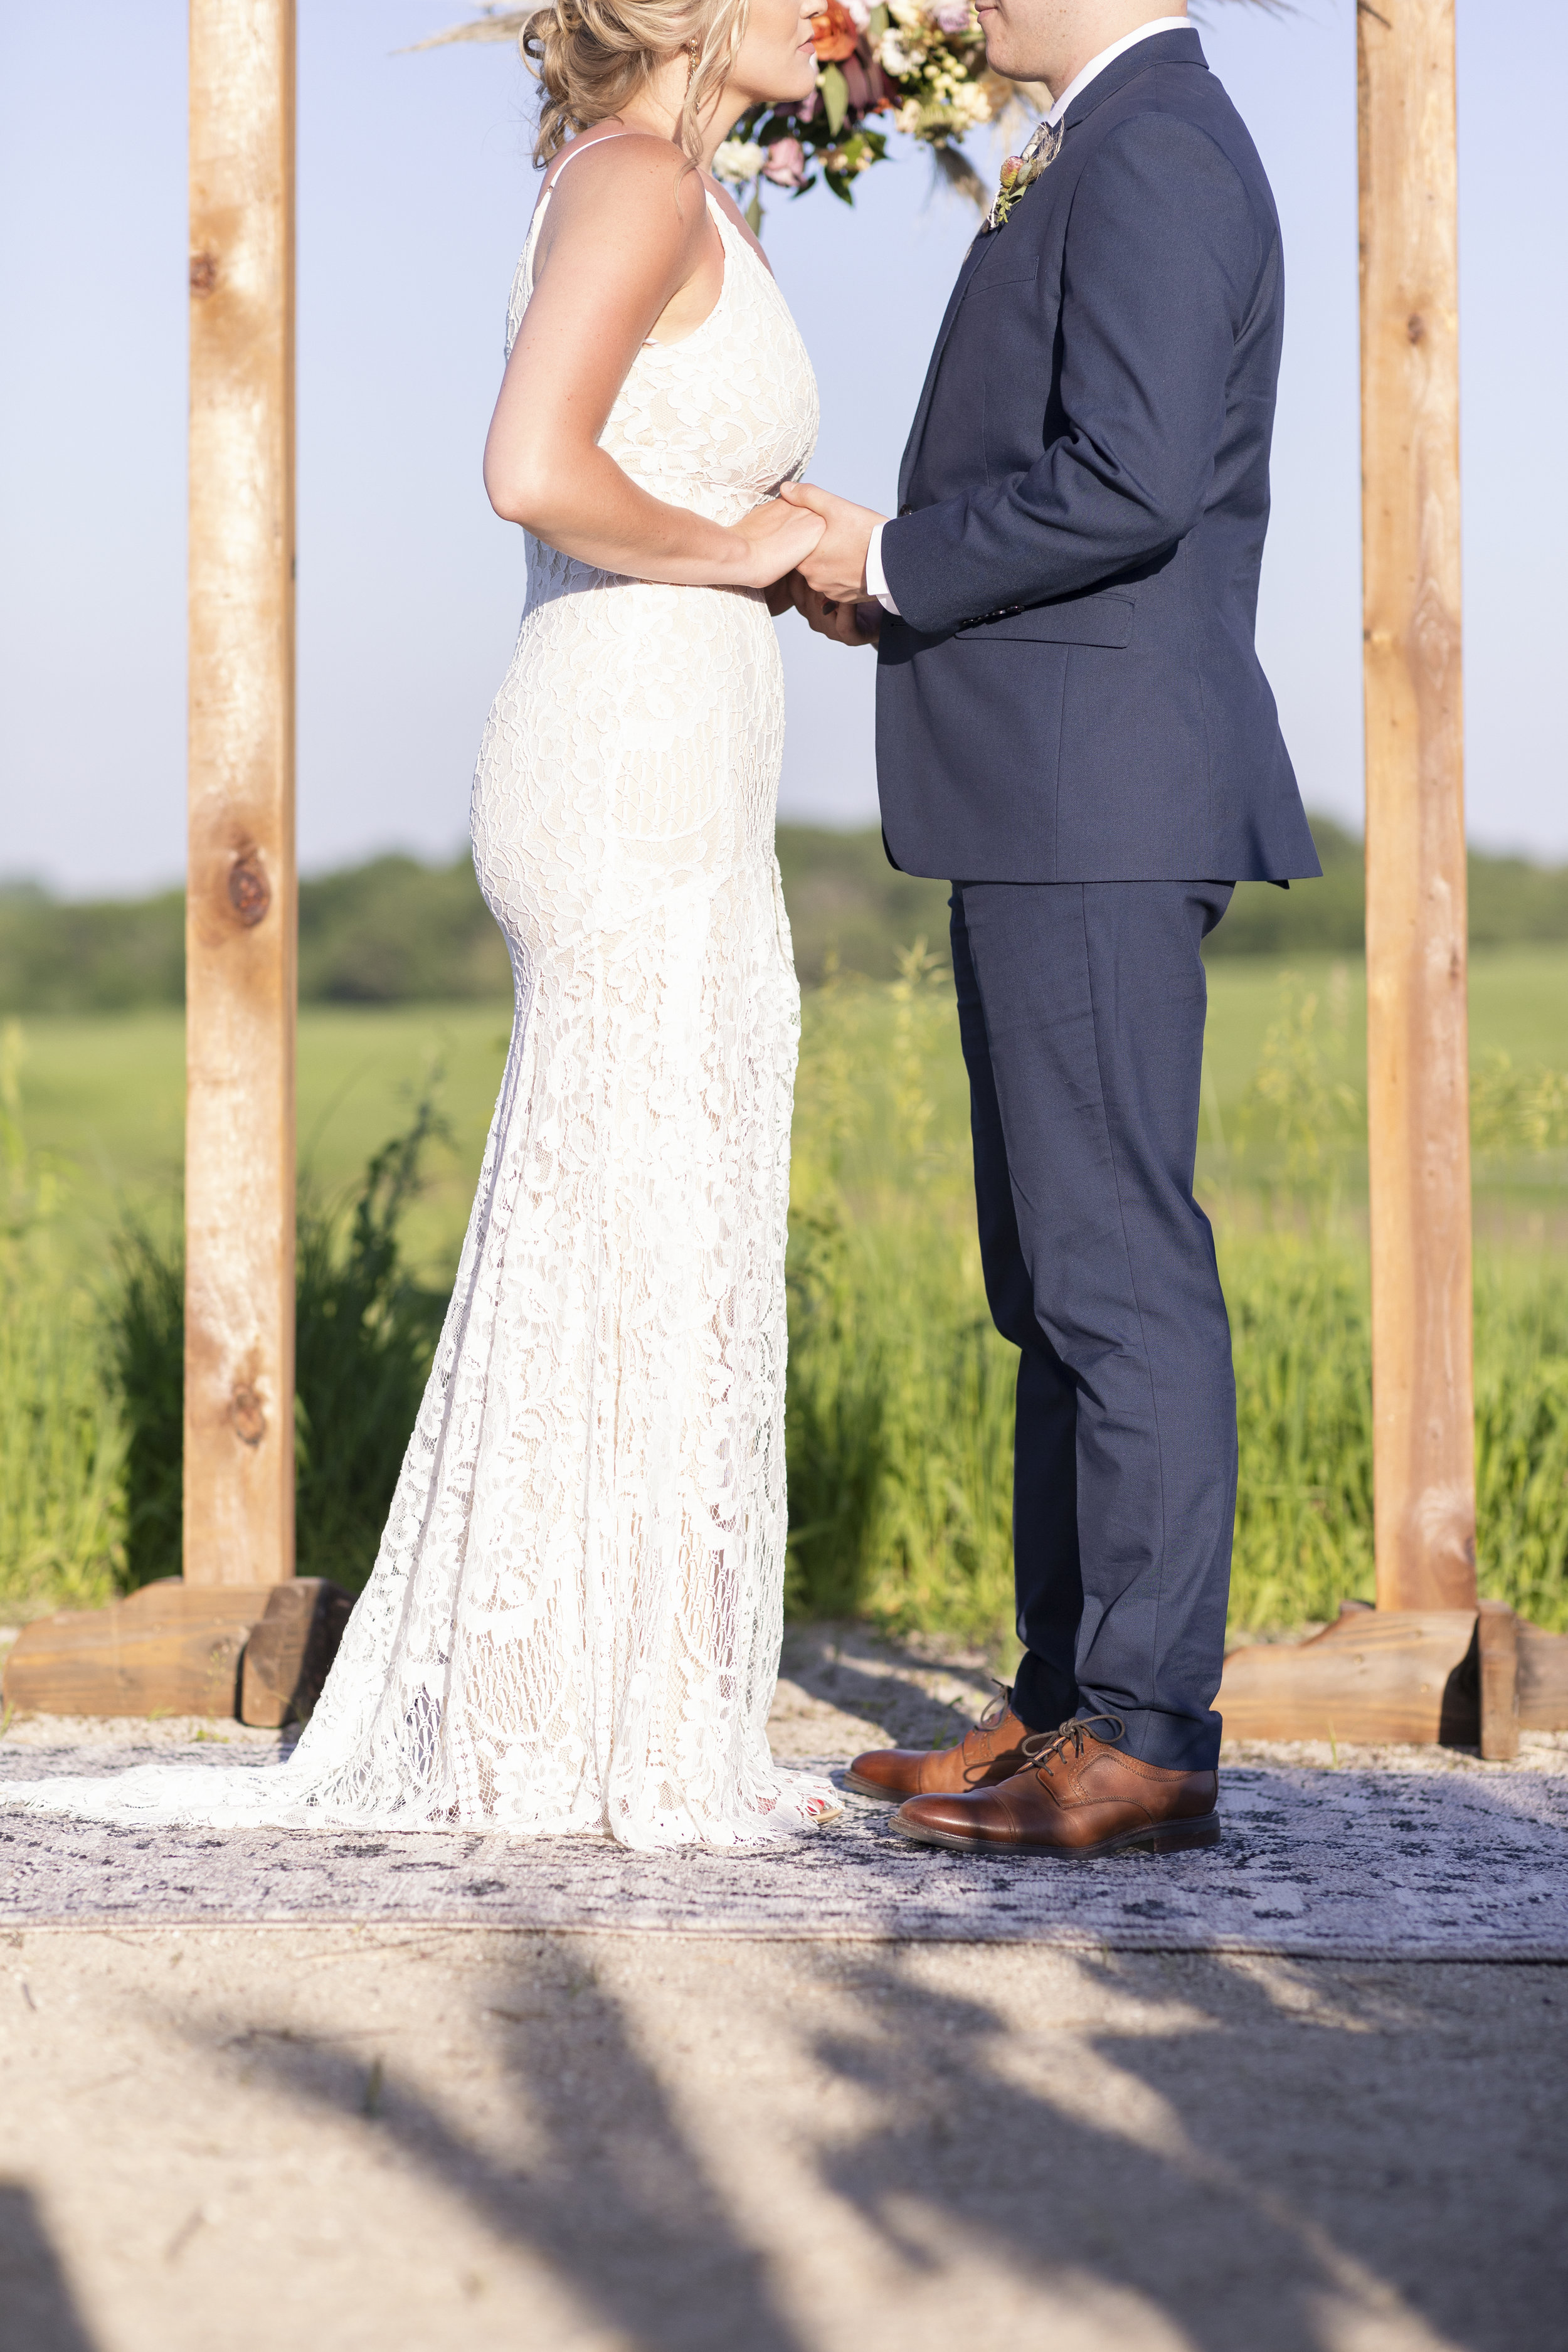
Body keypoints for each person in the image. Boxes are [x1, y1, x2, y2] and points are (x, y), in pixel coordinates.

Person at [1, 0, 840, 1851]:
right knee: (628, 1202)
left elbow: (666, 472)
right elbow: (532, 467)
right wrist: (741, 553)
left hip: (676, 739)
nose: (834, 7)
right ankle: (558, 1727)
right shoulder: (629, 182)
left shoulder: (684, 189)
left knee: (669, 1214)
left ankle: (629, 1698)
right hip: (614, 754)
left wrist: (805, 544)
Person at [784, 0, 1320, 1856]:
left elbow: (1134, 473)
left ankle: (1150, 1731)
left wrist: (890, 558)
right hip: (1047, 783)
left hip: (1100, 793)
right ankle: (1062, 1694)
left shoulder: (1155, 141)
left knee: (1112, 1266)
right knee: (1046, 1279)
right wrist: (905, 592)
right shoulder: (1102, 136)